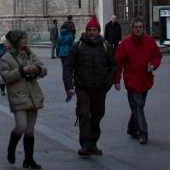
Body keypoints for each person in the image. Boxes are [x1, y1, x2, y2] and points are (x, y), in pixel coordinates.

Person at [62, 17, 116, 156]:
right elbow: (68, 66)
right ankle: (85, 144)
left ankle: (93, 142)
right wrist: (69, 86)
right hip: (83, 87)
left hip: (100, 87)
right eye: (89, 30)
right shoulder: (78, 45)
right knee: (84, 114)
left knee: (97, 115)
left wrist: (108, 83)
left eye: (94, 30)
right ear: (86, 31)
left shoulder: (106, 46)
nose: (92, 33)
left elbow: (113, 66)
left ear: (98, 32)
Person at [0, 31, 47, 169]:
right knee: (21, 126)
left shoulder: (30, 54)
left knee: (30, 129)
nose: (26, 40)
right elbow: (6, 77)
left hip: (33, 95)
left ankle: (29, 159)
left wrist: (37, 69)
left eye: (26, 37)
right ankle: (11, 148)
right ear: (15, 41)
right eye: (23, 38)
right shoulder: (6, 58)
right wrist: (23, 70)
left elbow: (44, 69)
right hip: (18, 96)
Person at [115, 17, 162, 145]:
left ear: (143, 29)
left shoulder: (150, 41)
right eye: (136, 27)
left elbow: (157, 56)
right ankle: (143, 133)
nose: (138, 29)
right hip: (132, 81)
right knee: (138, 106)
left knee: (138, 107)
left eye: (140, 27)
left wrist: (153, 65)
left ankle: (131, 128)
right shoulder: (125, 43)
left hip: (145, 80)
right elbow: (118, 63)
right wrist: (117, 80)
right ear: (132, 29)